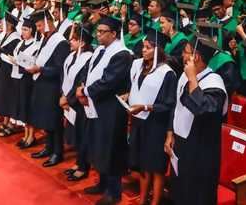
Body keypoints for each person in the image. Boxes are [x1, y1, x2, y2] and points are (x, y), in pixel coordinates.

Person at [165, 33, 228, 205]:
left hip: (201, 151)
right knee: (179, 190)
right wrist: (170, 134)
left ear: (196, 57)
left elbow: (202, 109)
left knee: (197, 194)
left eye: (186, 52)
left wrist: (192, 77)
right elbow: (176, 106)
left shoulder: (215, 84)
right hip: (181, 144)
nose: (182, 56)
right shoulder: (184, 75)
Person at [76, 16, 132, 205]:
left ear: (114, 34)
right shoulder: (100, 50)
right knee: (97, 144)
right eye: (97, 31)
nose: (98, 35)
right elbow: (87, 71)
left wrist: (85, 91)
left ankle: (113, 191)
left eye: (102, 32)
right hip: (95, 104)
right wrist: (82, 86)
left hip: (112, 108)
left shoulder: (122, 54)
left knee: (110, 148)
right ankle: (102, 183)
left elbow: (110, 81)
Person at [126, 30, 177, 205]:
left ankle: (155, 201)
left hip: (157, 125)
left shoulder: (167, 73)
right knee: (142, 164)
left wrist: (146, 107)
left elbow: (169, 105)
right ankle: (142, 199)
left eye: (148, 48)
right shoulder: (139, 66)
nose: (144, 50)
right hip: (139, 122)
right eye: (143, 47)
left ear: (158, 50)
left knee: (155, 167)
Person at [28, 9, 70, 167]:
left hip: (53, 87)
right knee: (45, 119)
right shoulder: (46, 38)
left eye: (39, 25)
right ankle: (48, 147)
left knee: (54, 121)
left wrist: (40, 70)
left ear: (48, 23)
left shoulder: (60, 42)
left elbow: (60, 69)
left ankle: (57, 152)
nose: (38, 29)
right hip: (42, 83)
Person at [60, 24, 94, 181]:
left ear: (82, 42)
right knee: (75, 133)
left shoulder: (88, 59)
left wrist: (69, 99)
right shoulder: (71, 56)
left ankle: (83, 166)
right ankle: (78, 162)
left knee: (83, 134)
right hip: (69, 101)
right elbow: (64, 77)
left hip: (80, 103)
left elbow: (81, 82)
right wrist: (63, 95)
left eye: (73, 39)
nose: (70, 42)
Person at [12, 17, 40, 149]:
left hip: (29, 79)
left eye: (26, 29)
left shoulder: (36, 45)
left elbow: (33, 62)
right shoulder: (20, 43)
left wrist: (19, 61)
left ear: (32, 30)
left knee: (29, 107)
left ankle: (31, 136)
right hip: (18, 77)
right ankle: (25, 134)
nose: (23, 32)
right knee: (22, 106)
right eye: (22, 29)